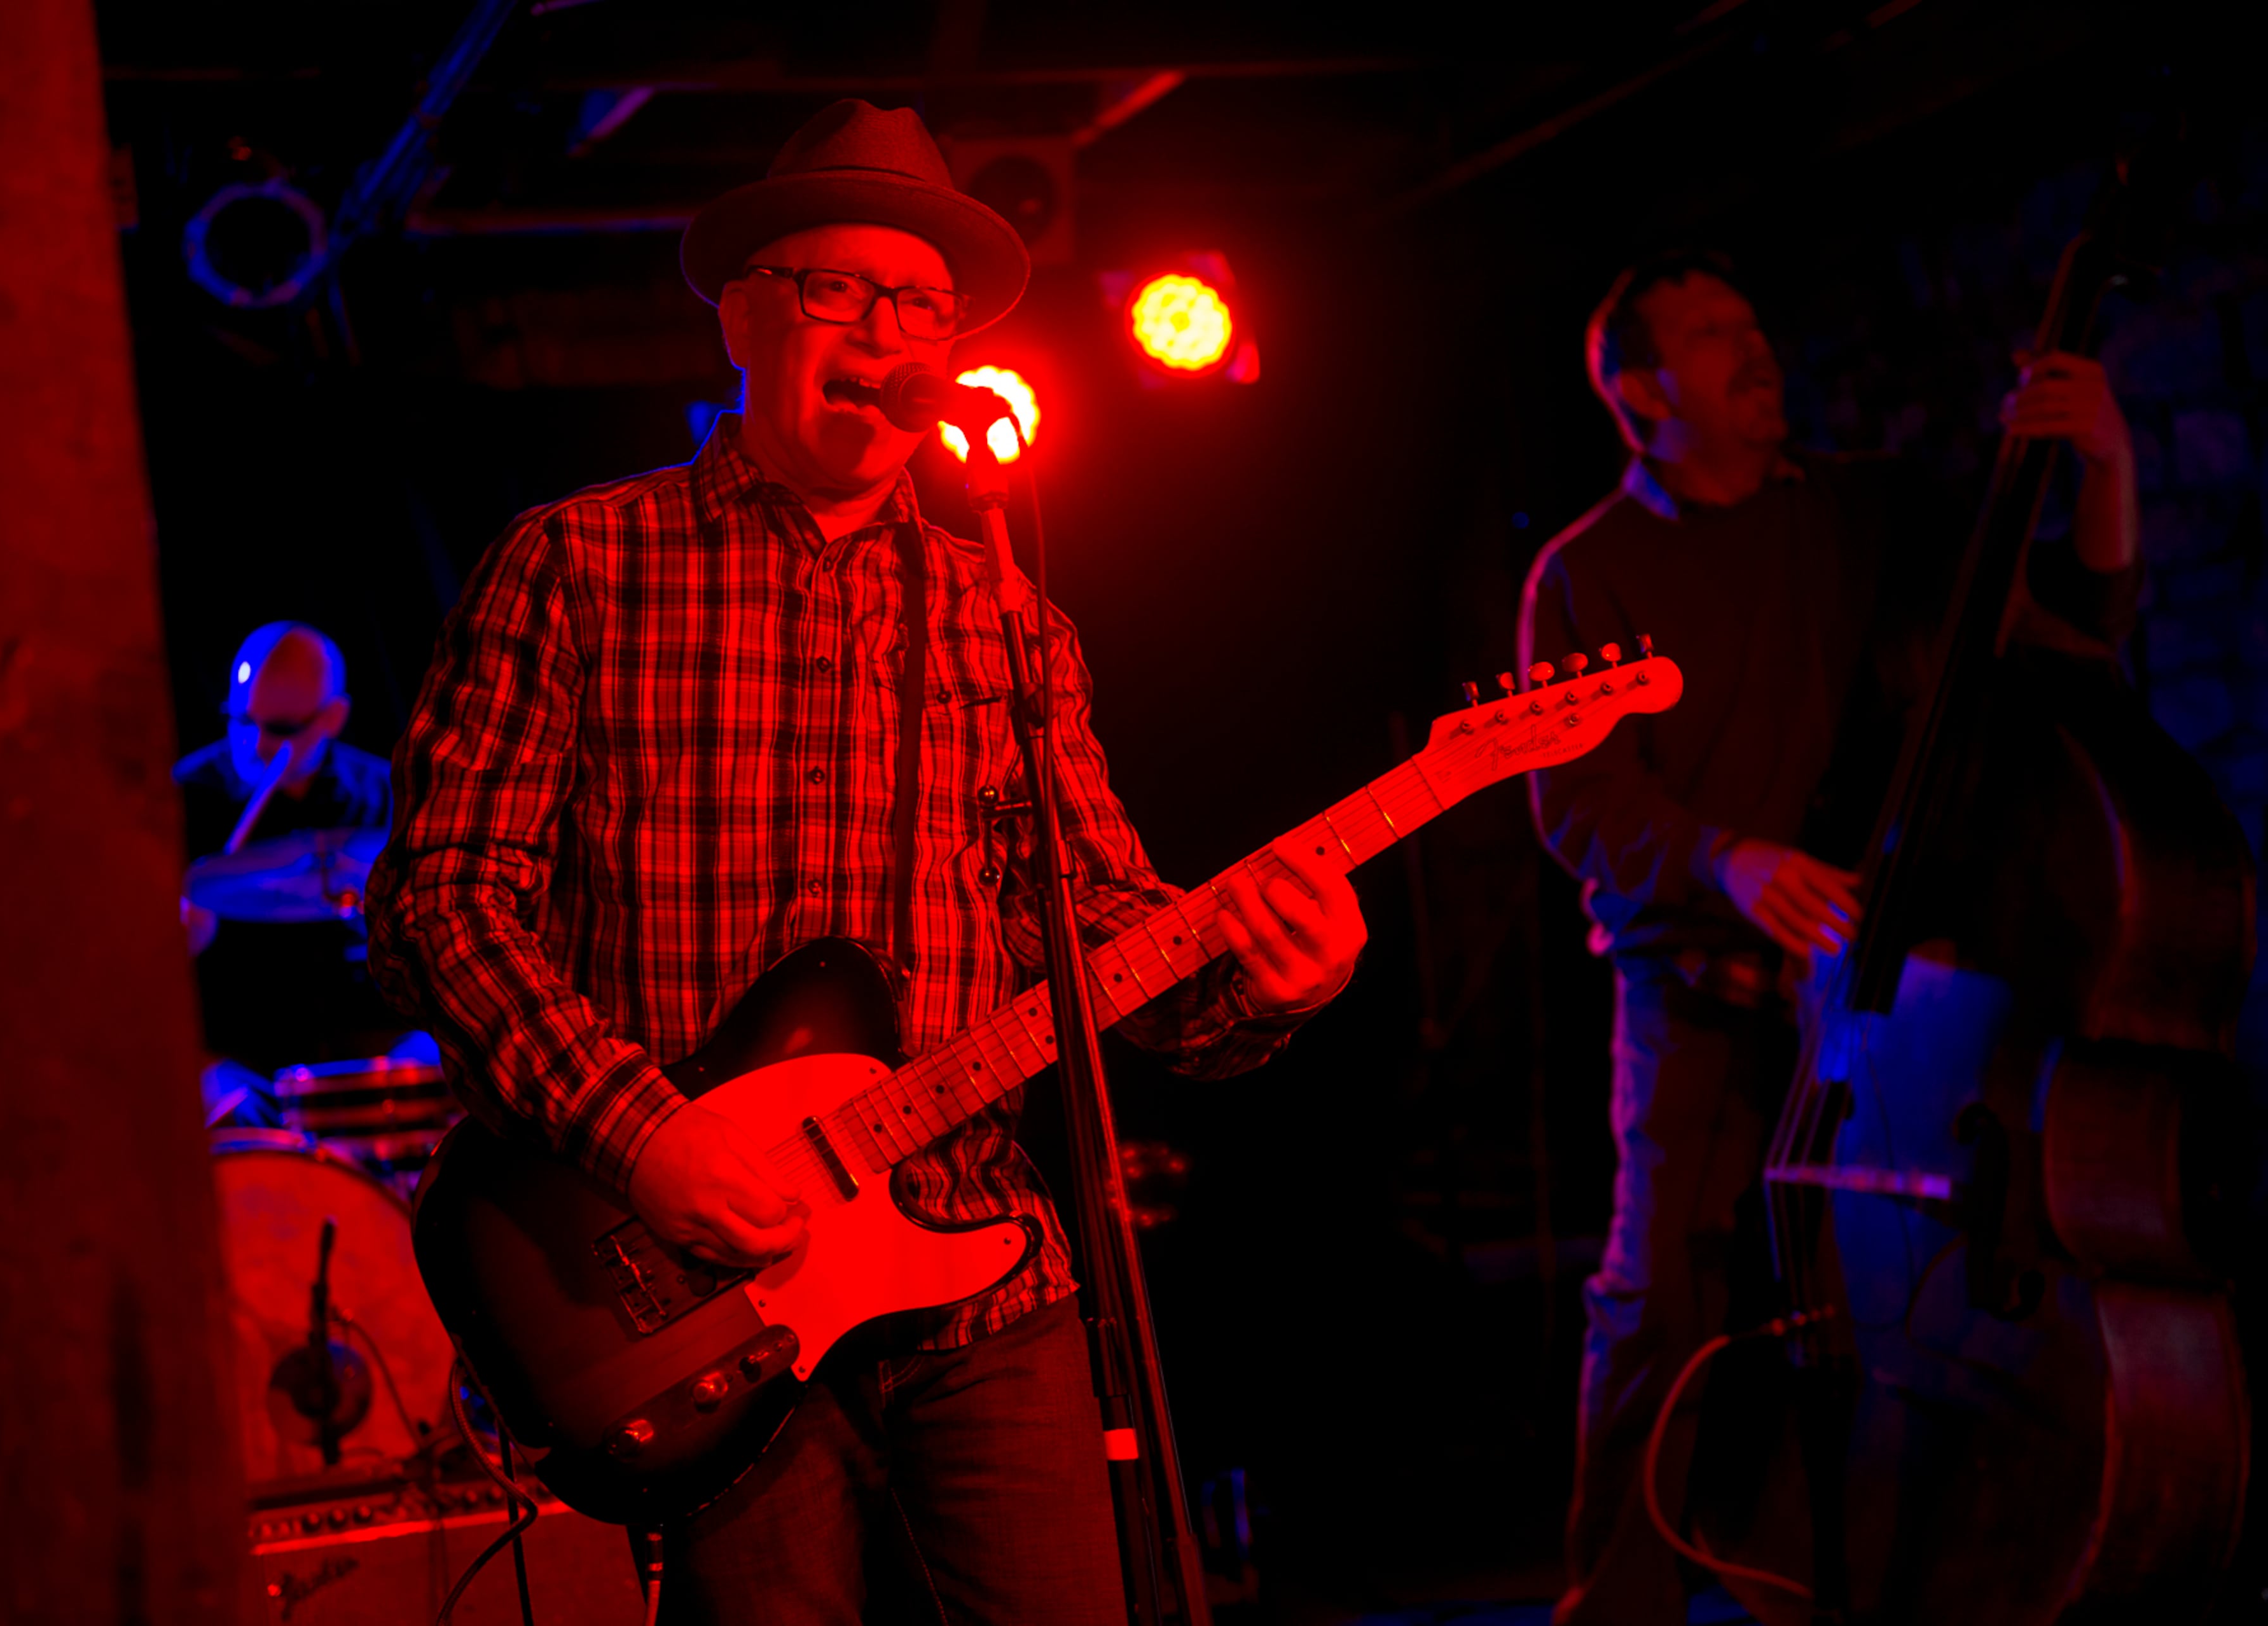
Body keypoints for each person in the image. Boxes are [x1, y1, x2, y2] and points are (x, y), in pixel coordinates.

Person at [364, 100, 1367, 1625]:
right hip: (701, 1291)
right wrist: (645, 1139)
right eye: (842, 292)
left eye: (922, 308)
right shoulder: (574, 564)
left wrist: (1263, 981)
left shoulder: (1011, 616)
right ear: (746, 315)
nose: (888, 334)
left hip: (985, 1283)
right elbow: (440, 898)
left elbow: (1087, 924)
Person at [1518, 250, 2139, 1625]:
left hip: (1873, 1012)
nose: (1758, 349)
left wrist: (2101, 462)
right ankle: (1616, 1607)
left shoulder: (1859, 516)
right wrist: (1723, 859)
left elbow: (2073, 625)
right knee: (1660, 1305)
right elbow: (1576, 796)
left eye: (1754, 321)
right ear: (1638, 391)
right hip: (1693, 1002)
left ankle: (1841, 1582)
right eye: (1714, 335)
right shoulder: (1588, 572)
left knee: (1884, 1310)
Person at [177, 620, 396, 1070]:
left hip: (372, 1048)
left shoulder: (387, 794)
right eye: (240, 720)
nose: (253, 743)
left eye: (279, 728)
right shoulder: (180, 802)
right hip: (237, 1059)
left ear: (333, 718)